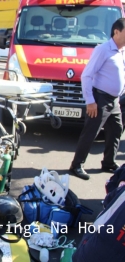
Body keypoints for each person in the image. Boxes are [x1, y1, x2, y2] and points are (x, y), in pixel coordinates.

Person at [69, 18, 125, 180]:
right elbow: (87, 75)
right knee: (90, 133)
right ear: (117, 32)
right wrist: (90, 101)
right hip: (99, 99)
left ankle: (108, 163)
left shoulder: (121, 51)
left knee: (116, 131)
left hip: (114, 101)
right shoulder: (103, 49)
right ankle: (76, 165)